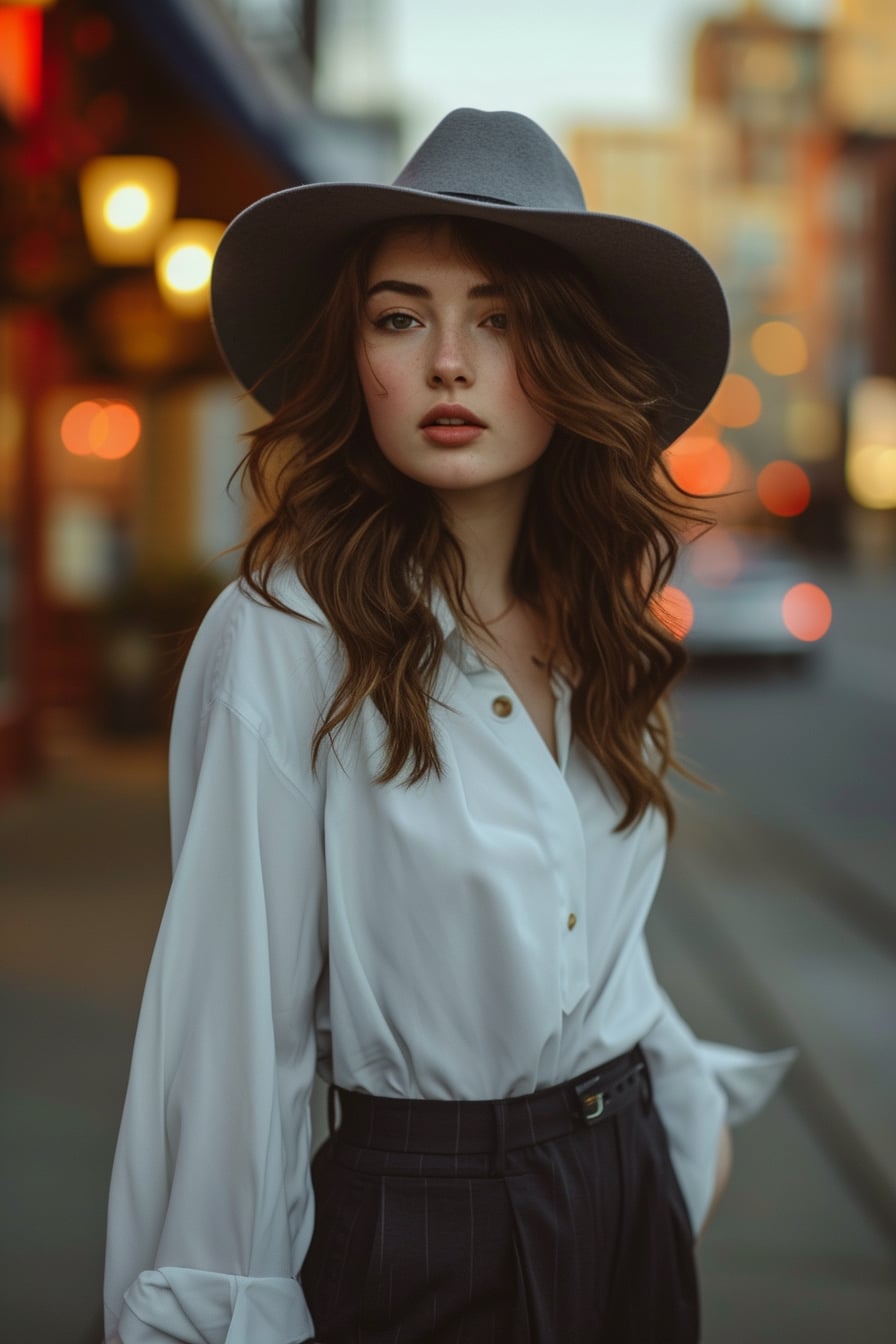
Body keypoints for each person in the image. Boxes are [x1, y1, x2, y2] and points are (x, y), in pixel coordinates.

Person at [103, 109, 793, 1344]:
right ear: (354, 353)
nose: (449, 365)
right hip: (427, 1232)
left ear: (569, 359)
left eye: (499, 318)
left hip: (624, 1190)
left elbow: (582, 932)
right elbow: (227, 1042)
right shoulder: (283, 636)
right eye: (400, 316)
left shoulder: (587, 616)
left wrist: (676, 1114)